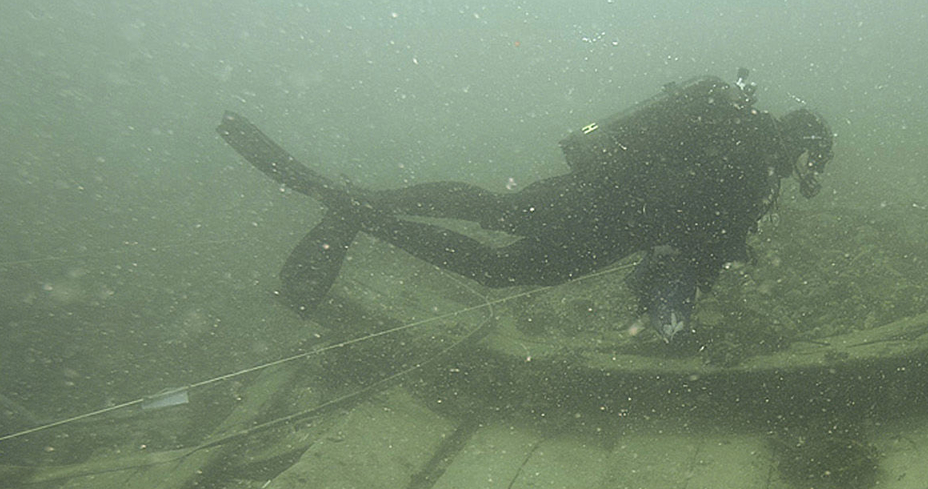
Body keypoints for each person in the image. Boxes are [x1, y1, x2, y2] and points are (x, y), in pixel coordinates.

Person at [218, 70, 833, 341]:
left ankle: (366, 205)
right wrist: (711, 262)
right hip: (607, 219)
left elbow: (687, 209)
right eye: (814, 162)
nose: (810, 175)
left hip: (600, 202)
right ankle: (365, 211)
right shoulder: (753, 162)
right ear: (801, 143)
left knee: (496, 215)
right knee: (497, 256)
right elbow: (697, 225)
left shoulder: (739, 138)